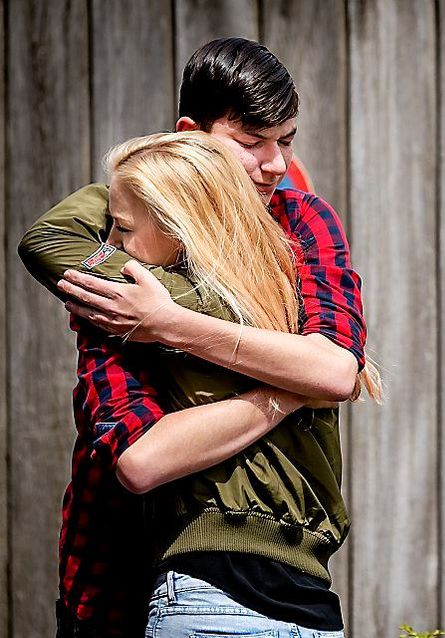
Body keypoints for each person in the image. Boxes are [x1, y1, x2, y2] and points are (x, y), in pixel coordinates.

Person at [19, 38, 377, 637]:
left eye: (285, 140)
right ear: (191, 133)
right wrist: (296, 377)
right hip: (118, 579)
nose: (275, 165)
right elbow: (45, 241)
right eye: (249, 143)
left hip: (288, 579)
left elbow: (335, 369)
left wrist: (171, 325)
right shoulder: (119, 231)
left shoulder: (300, 220)